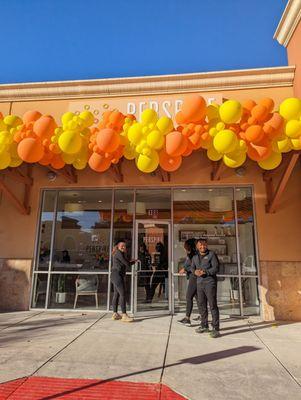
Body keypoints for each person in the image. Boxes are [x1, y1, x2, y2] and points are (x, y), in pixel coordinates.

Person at [191, 238, 220, 338]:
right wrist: (194, 272)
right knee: (201, 305)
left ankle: (216, 328)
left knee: (212, 305)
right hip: (199, 284)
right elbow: (192, 268)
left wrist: (206, 272)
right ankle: (204, 325)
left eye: (204, 245)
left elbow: (216, 268)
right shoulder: (195, 257)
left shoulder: (211, 255)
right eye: (200, 245)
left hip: (210, 283)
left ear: (206, 245)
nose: (202, 247)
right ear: (197, 246)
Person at [177, 238, 202, 326]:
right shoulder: (191, 254)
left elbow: (193, 266)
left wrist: (185, 269)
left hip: (194, 277)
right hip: (193, 277)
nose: (184, 247)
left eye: (185, 245)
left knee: (189, 297)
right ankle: (202, 315)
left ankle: (187, 318)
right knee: (197, 297)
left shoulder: (193, 254)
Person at [111, 240, 136, 322]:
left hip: (116, 275)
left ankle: (115, 314)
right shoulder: (118, 253)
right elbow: (127, 263)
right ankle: (124, 315)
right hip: (117, 276)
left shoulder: (119, 254)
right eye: (122, 245)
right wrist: (132, 262)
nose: (123, 247)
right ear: (118, 246)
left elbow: (126, 263)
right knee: (123, 294)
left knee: (116, 294)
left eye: (124, 246)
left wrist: (132, 262)